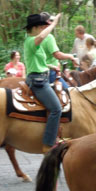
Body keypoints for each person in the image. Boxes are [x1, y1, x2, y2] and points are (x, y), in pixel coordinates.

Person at [23, 13, 62, 153]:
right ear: (34, 28)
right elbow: (41, 37)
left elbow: (37, 62)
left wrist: (51, 67)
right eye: (41, 26)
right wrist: (53, 24)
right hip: (38, 80)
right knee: (57, 109)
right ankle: (48, 144)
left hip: (42, 76)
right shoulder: (31, 41)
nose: (42, 29)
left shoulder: (32, 41)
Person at [40, 12, 78, 89]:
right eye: (50, 21)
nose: (52, 23)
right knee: (69, 94)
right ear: (47, 23)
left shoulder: (33, 35)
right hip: (50, 73)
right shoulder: (49, 37)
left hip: (37, 71)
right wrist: (71, 57)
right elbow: (58, 55)